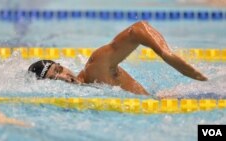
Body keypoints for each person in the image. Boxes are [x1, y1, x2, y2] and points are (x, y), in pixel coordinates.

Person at [28, 21, 208, 96]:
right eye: (53, 79)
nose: (63, 77)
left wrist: (165, 54)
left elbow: (137, 29)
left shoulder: (95, 68)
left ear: (63, 66)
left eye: (59, 70)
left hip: (173, 104)